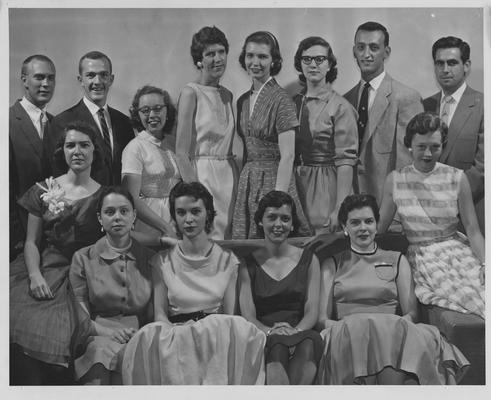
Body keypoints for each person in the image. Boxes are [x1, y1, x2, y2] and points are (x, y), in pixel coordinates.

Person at [122, 181, 266, 384]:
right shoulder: (161, 262)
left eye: (195, 211)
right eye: (181, 213)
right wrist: (180, 335)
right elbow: (160, 315)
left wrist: (204, 332)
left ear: (208, 213)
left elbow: (229, 314)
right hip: (176, 335)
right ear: (174, 217)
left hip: (215, 334)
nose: (188, 219)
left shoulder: (229, 261)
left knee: (236, 327)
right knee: (148, 335)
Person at [317, 194, 469, 384]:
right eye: (355, 223)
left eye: (368, 221)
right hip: (348, 333)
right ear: (344, 228)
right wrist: (352, 327)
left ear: (376, 224)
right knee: (363, 331)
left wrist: (386, 328)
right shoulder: (331, 263)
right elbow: (322, 319)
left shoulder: (397, 259)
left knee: (393, 334)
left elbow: (411, 314)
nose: (363, 228)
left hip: (391, 332)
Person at [10, 120, 104, 385]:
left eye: (84, 145)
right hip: (44, 268)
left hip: (80, 274)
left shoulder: (104, 194)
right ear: (61, 151)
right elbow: (31, 242)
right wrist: (34, 275)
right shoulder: (44, 189)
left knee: (63, 332)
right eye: (70, 145)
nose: (77, 151)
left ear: (94, 150)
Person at [378, 112, 485, 318]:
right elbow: (380, 228)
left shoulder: (457, 178)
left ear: (443, 145)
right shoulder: (396, 179)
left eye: (435, 147)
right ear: (410, 145)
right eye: (421, 147)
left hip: (459, 252)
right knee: (471, 300)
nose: (428, 154)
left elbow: (473, 231)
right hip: (424, 256)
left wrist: (485, 264)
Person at [69, 186, 154, 384]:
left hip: (141, 337)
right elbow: (81, 319)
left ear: (134, 217)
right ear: (100, 218)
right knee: (99, 353)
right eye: (110, 212)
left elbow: (155, 315)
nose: (117, 217)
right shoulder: (83, 258)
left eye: (124, 211)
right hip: (96, 336)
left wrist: (141, 335)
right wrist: (110, 333)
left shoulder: (150, 260)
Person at [232, 31, 312, 239]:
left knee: (274, 235)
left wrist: (278, 199)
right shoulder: (242, 100)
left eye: (262, 56)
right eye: (250, 56)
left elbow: (288, 156)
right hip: (249, 179)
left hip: (275, 177)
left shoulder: (281, 99)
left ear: (273, 60)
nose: (255, 62)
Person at [239, 191, 322, 385]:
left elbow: (312, 310)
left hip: (301, 331)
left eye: (285, 219)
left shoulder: (310, 260)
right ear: (260, 222)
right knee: (277, 346)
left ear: (292, 224)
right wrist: (269, 331)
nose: (278, 224)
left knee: (309, 341)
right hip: (262, 334)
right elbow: (248, 316)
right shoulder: (247, 264)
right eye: (272, 218)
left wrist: (295, 330)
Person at [344, 21, 423, 205]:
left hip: (387, 207)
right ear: (354, 51)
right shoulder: (345, 100)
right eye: (361, 47)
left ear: (386, 52)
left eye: (374, 47)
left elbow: (408, 165)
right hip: (351, 206)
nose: (366, 54)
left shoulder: (406, 97)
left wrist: (396, 214)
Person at [175, 26, 239, 240]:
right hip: (203, 176)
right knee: (207, 238)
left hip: (229, 177)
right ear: (199, 60)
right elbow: (181, 152)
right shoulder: (190, 93)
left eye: (221, 52)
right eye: (210, 54)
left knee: (229, 239)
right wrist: (196, 194)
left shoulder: (228, 95)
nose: (217, 58)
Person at [293, 37, 358, 233]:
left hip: (326, 185)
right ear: (300, 64)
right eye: (307, 59)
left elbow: (346, 161)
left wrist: (340, 207)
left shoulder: (341, 107)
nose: (313, 65)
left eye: (320, 59)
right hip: (296, 183)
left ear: (329, 65)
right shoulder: (292, 103)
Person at [423, 36, 484, 234]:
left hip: (471, 214)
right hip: (427, 217)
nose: (445, 69)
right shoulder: (424, 106)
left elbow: (483, 168)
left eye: (452, 63)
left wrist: (447, 198)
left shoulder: (484, 105)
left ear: (466, 66)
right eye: (439, 63)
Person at [52, 51, 134, 185]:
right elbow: (58, 173)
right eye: (90, 75)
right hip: (84, 203)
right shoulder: (62, 122)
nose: (98, 81)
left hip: (119, 202)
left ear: (111, 79)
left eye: (103, 75)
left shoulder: (124, 122)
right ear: (81, 80)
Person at [10, 55, 57, 259]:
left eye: (51, 78)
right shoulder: (8, 122)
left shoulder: (57, 124)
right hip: (17, 239)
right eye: (39, 77)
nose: (46, 84)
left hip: (53, 237)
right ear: (24, 80)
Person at [122, 85, 180, 238]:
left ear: (167, 111)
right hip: (150, 221)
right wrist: (166, 228)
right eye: (145, 111)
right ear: (137, 115)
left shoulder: (174, 144)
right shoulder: (134, 148)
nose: (152, 115)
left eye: (158, 108)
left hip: (178, 218)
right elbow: (131, 198)